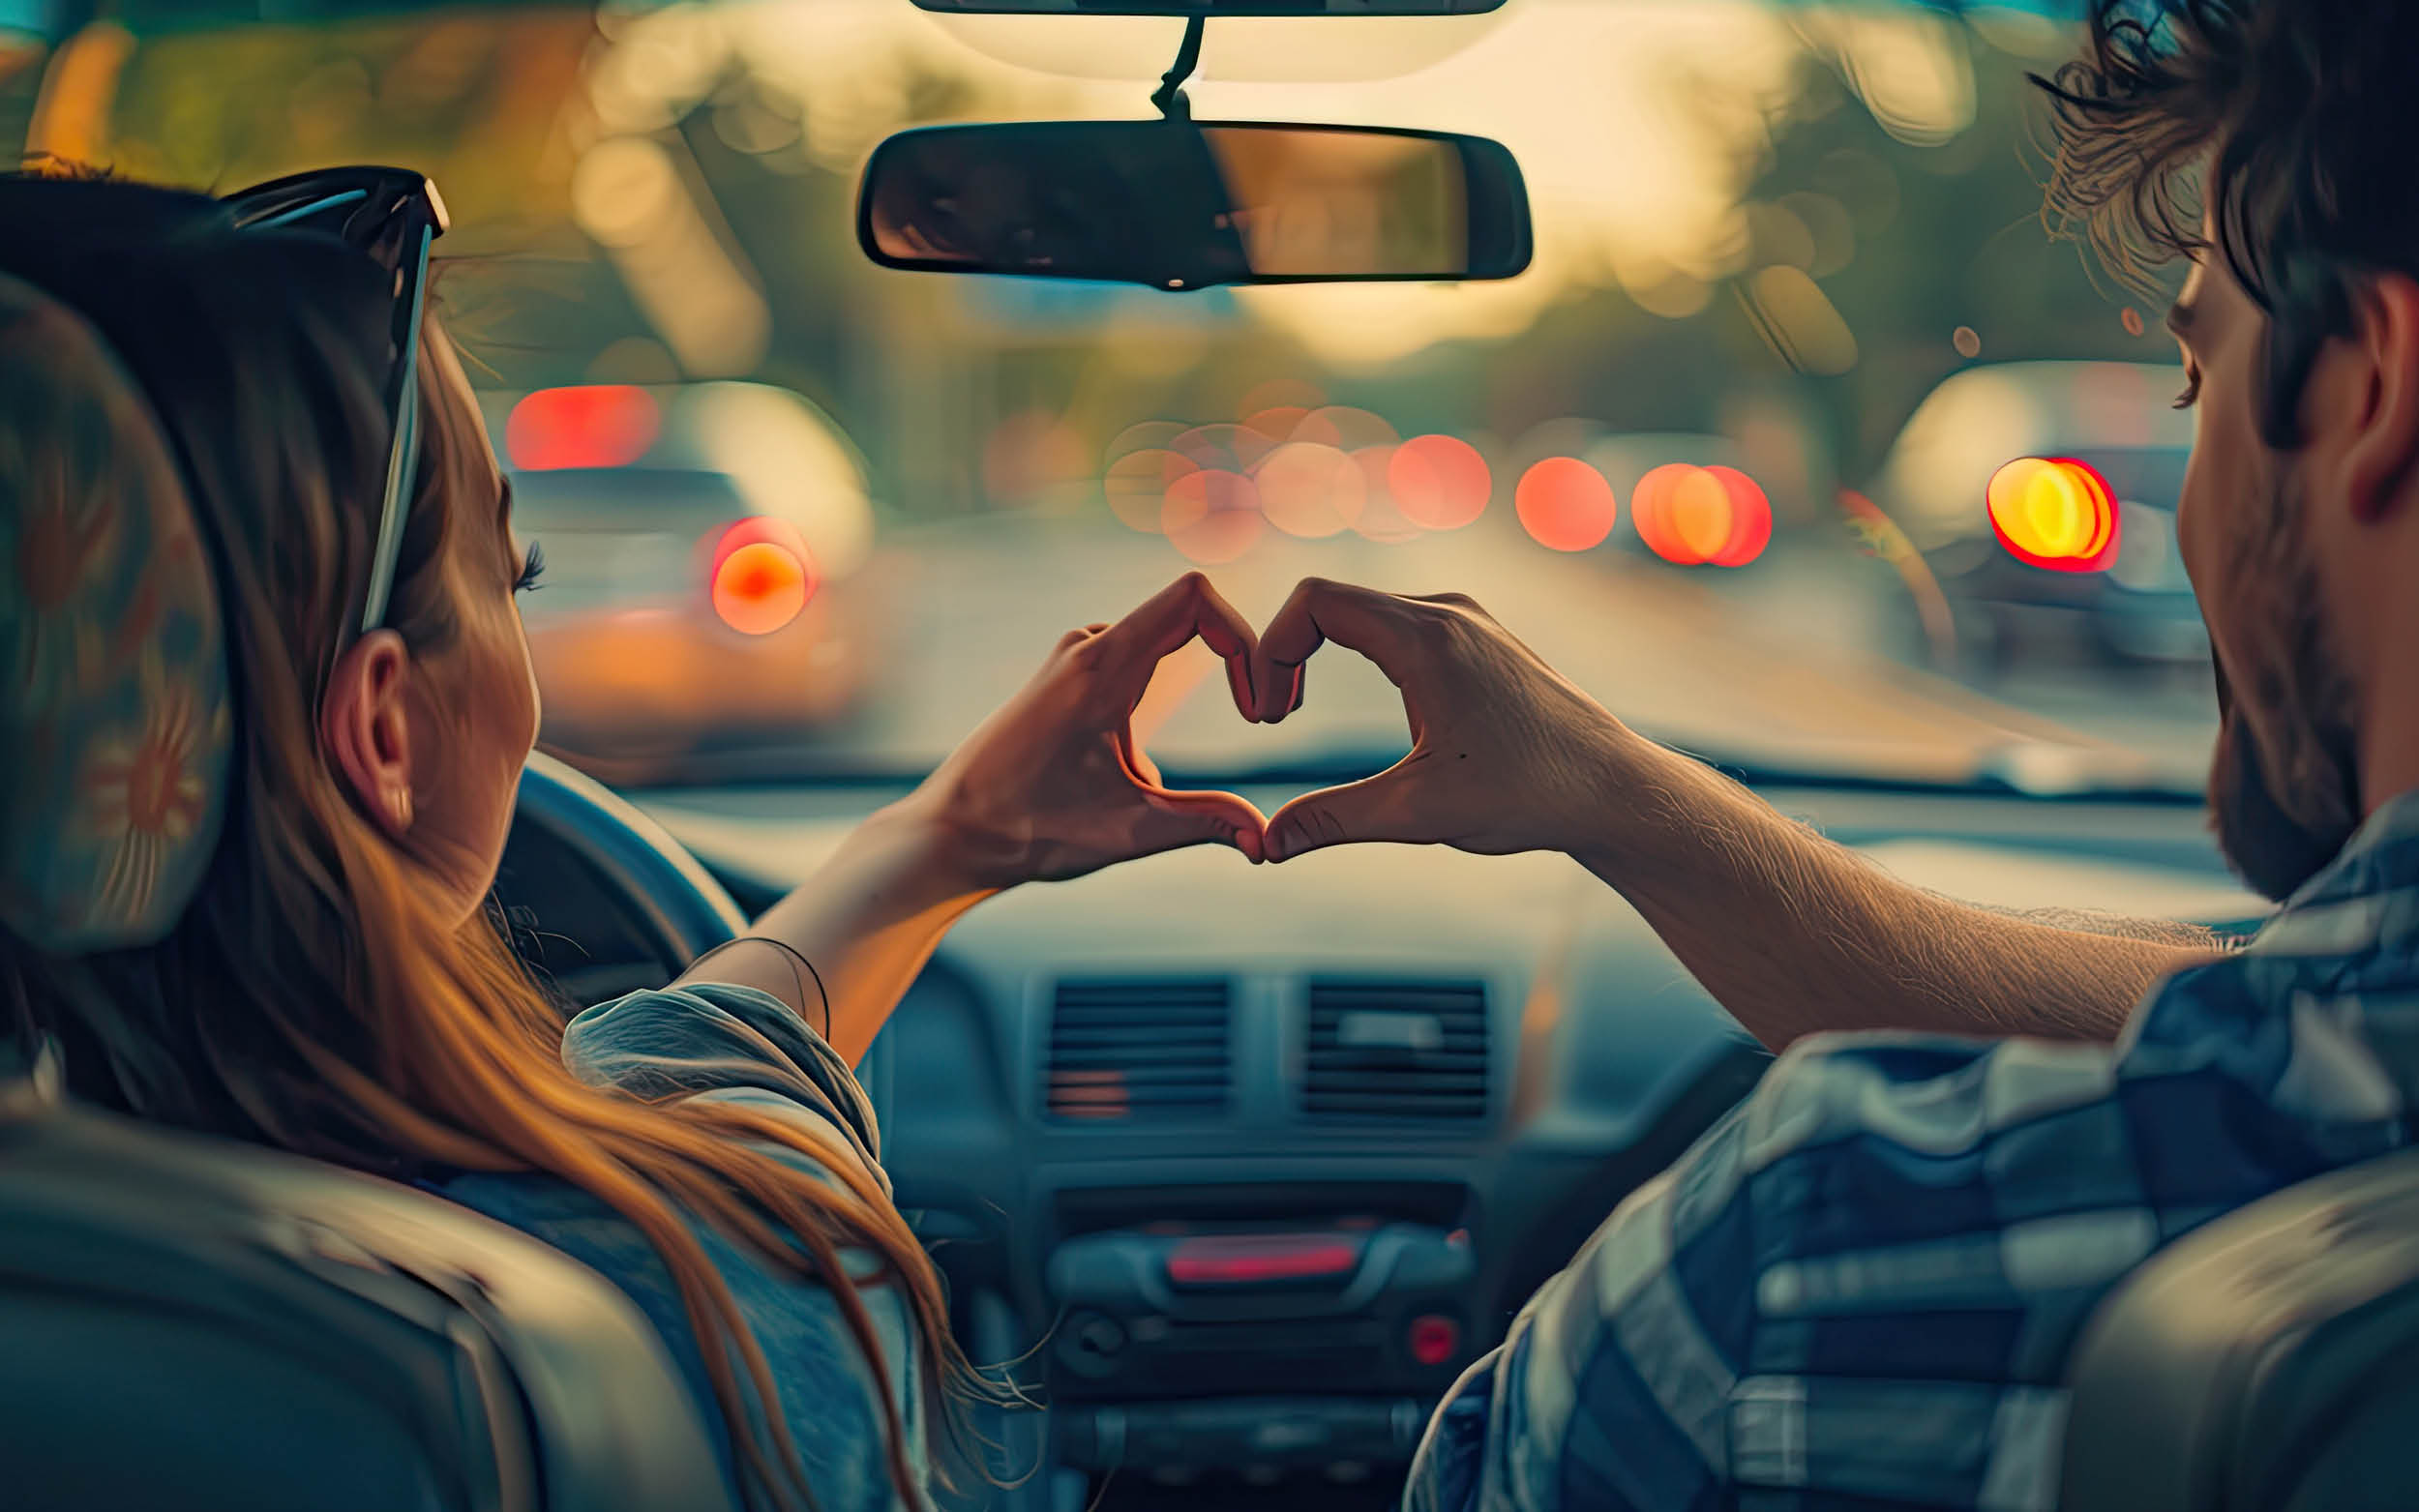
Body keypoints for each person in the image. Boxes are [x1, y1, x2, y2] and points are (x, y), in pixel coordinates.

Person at [1211, 2, 2419, 1506]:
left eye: (2200, 380)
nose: (2187, 482)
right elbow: (2299, 1017)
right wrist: (1620, 796)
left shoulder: (1787, 1277)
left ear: (2366, 386)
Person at [0, 172, 1271, 1512]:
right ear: (380, 730)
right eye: (515, 578)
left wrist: (948, 839)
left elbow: (668, 1076)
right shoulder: (672, 1306)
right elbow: (667, 1136)